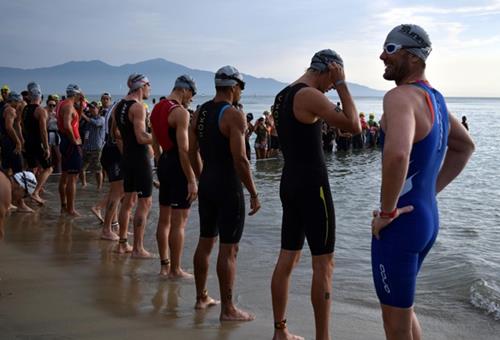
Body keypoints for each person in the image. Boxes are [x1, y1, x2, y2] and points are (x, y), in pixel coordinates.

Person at [371, 24, 475, 340]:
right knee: (405, 313)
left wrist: (388, 212)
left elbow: (397, 156)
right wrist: (428, 193)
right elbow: (464, 147)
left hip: (400, 226)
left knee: (395, 326)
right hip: (425, 220)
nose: (381, 56)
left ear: (413, 57)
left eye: (390, 49)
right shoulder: (436, 100)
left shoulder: (400, 97)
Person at [270, 49, 361, 340]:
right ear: (327, 70)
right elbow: (354, 125)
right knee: (323, 263)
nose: (331, 87)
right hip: (313, 185)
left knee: (287, 258)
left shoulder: (282, 96)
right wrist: (344, 85)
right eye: (331, 81)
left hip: (289, 182)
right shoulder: (308, 94)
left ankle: (279, 332)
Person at [189, 65, 260, 321]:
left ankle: (201, 298)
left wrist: (200, 178)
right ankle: (228, 310)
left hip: (207, 183)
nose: (241, 92)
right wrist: (253, 191)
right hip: (228, 187)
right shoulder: (232, 115)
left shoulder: (200, 112)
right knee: (229, 250)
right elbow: (240, 159)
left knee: (205, 241)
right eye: (241, 88)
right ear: (233, 87)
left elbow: (190, 151)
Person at [150, 75, 198, 278]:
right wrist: (191, 180)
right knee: (179, 222)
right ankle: (176, 270)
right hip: (178, 166)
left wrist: (160, 164)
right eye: (192, 94)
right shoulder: (180, 112)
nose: (192, 99)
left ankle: (164, 266)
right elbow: (183, 150)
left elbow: (153, 142)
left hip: (164, 163)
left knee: (164, 220)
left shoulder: (157, 108)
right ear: (185, 90)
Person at [113, 73, 154, 258]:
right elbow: (141, 136)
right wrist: (161, 138)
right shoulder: (138, 107)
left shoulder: (119, 105)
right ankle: (138, 248)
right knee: (145, 202)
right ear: (141, 86)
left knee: (128, 202)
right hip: (140, 158)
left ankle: (122, 244)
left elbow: (116, 133)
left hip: (127, 157)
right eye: (148, 85)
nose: (149, 89)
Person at [57, 84, 85, 216]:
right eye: (80, 94)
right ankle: (71, 209)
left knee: (65, 175)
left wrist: (81, 102)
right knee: (72, 178)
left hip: (65, 142)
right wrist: (74, 140)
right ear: (76, 94)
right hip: (70, 144)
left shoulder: (63, 104)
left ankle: (64, 206)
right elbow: (68, 125)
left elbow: (76, 119)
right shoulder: (68, 106)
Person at [22, 82, 52, 204]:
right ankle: (35, 192)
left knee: (32, 169)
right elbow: (43, 131)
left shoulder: (25, 109)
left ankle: (25, 194)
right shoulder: (40, 110)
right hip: (37, 143)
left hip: (28, 142)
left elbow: (22, 126)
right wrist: (46, 147)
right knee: (49, 168)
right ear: (40, 96)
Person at [81, 101, 105, 190]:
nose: (91, 109)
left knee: (97, 169)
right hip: (87, 147)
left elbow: (96, 123)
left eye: (93, 108)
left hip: (96, 148)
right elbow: (85, 133)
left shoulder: (101, 119)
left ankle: (99, 187)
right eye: (90, 108)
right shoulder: (87, 120)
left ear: (98, 109)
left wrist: (83, 116)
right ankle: (84, 184)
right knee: (81, 168)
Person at [1, 92, 24, 175]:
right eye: (18, 102)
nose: (19, 104)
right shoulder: (10, 110)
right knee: (18, 169)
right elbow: (9, 127)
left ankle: (6, 187)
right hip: (10, 141)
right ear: (13, 101)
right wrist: (18, 142)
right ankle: (16, 187)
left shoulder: (3, 107)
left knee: (7, 168)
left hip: (4, 140)